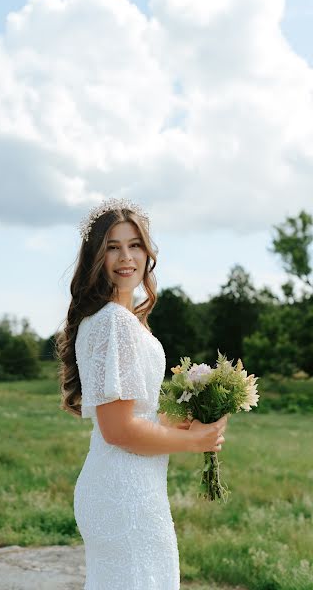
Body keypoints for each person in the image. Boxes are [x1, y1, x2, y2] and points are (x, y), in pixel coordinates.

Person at [56, 197, 228, 590]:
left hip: (126, 485)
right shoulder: (114, 321)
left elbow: (133, 417)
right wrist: (194, 441)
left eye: (134, 244)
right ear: (95, 256)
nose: (125, 257)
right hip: (125, 493)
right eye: (112, 247)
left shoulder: (112, 319)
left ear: (147, 252)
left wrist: (176, 423)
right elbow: (118, 430)